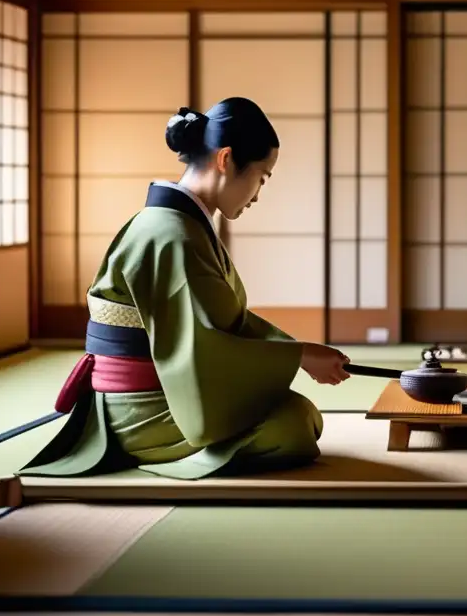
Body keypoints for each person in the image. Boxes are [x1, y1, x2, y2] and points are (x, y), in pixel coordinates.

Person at [20, 97, 351, 480]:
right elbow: (198, 344)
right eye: (261, 177)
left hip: (166, 395)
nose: (258, 194)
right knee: (292, 424)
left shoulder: (181, 227)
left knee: (298, 415)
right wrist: (296, 358)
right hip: (144, 410)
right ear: (225, 159)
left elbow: (225, 323)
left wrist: (300, 354)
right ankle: (155, 447)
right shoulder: (171, 235)